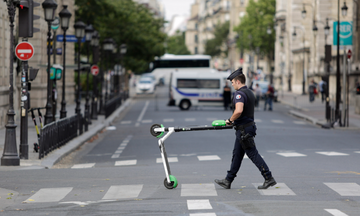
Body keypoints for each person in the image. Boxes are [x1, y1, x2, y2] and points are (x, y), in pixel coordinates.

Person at [214, 68, 276, 190]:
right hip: (247, 128)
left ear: (238, 81)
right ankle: (228, 180)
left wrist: (230, 120)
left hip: (243, 130)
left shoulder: (239, 94)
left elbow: (239, 110)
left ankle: (268, 177)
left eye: (232, 82)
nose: (232, 85)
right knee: (237, 155)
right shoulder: (249, 92)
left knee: (252, 153)